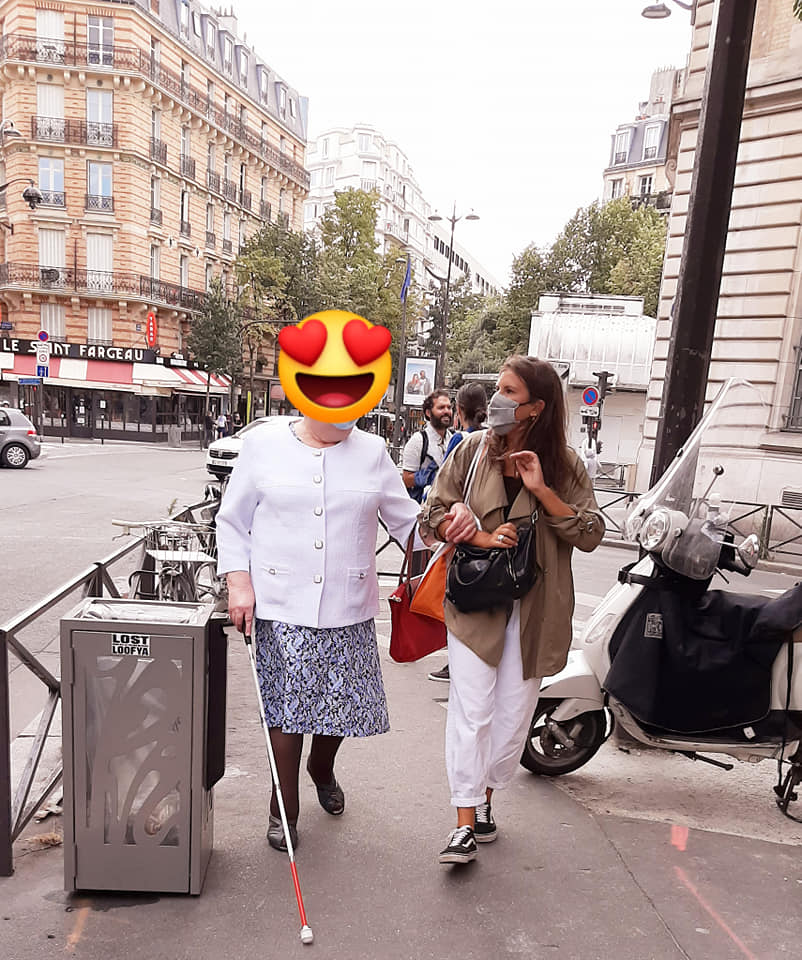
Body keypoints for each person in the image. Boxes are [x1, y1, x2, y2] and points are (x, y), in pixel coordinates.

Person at [216, 414, 447, 853]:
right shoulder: (263, 445)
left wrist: (446, 531)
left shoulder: (371, 451)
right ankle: (283, 807)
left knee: (341, 707)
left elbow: (408, 525)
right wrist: (238, 583)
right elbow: (232, 522)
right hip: (280, 602)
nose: (343, 423)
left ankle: (321, 767)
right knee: (286, 709)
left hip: (348, 604)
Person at [419, 356, 605, 865]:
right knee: (471, 711)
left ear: (536, 407)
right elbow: (431, 514)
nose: (497, 399)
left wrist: (542, 490)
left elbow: (591, 532)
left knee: (510, 720)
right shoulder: (472, 451)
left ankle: (484, 801)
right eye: (497, 389)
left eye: (509, 392)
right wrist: (469, 530)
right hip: (476, 601)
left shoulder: (564, 464)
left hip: (535, 609)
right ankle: (463, 822)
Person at [428, 382, 488, 684]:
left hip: (460, 525)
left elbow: (446, 483)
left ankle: (456, 659)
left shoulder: (461, 440)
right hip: (484, 528)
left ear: (459, 410)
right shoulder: (490, 437)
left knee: (454, 594)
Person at [401, 390, 453, 503]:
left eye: (449, 407)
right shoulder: (418, 441)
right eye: (441, 408)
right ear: (429, 413)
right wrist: (429, 476)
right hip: (424, 507)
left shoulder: (454, 439)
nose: (446, 411)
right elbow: (406, 479)